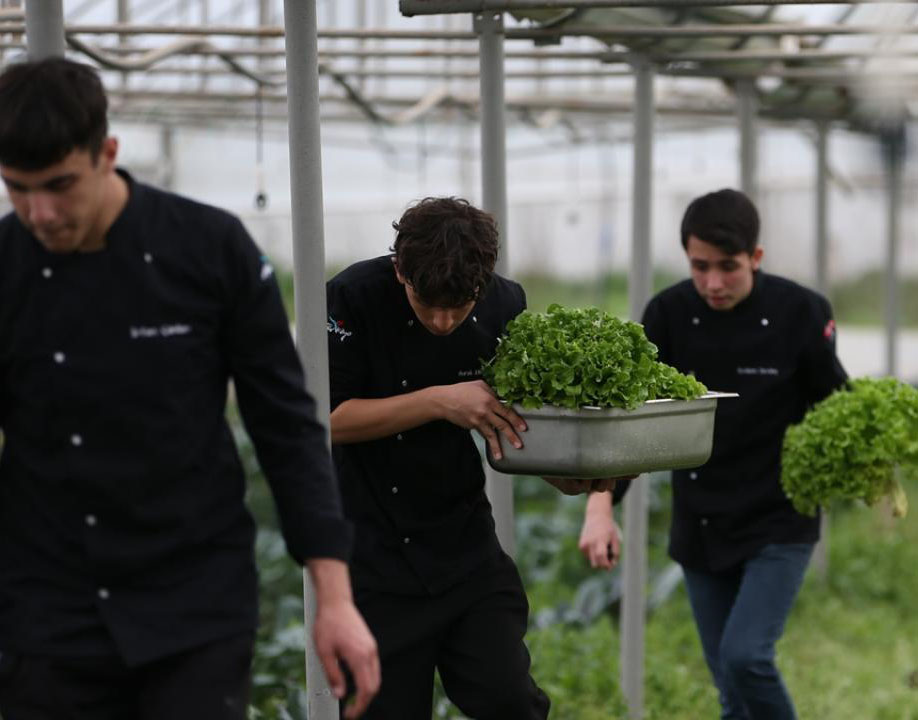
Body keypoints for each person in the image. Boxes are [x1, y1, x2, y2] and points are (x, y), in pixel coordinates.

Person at [0, 58, 378, 719]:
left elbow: (287, 426)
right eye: (17, 189)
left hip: (193, 601)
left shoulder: (208, 249)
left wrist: (336, 598)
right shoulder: (6, 267)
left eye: (60, 184)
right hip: (48, 606)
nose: (41, 212)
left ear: (107, 153)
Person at [579, 189, 848, 720]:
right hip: (702, 522)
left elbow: (837, 407)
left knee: (746, 658)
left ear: (756, 258)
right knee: (730, 689)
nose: (713, 283)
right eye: (700, 267)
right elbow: (633, 426)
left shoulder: (801, 312)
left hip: (780, 518)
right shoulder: (669, 314)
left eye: (728, 267)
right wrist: (599, 508)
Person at [326, 196, 561, 719]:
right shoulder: (349, 298)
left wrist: (576, 473)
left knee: (511, 701)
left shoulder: (505, 304)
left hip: (465, 549)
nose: (442, 320)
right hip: (373, 560)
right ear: (399, 271)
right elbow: (326, 420)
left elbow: (519, 420)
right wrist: (439, 400)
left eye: (460, 305)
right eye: (425, 302)